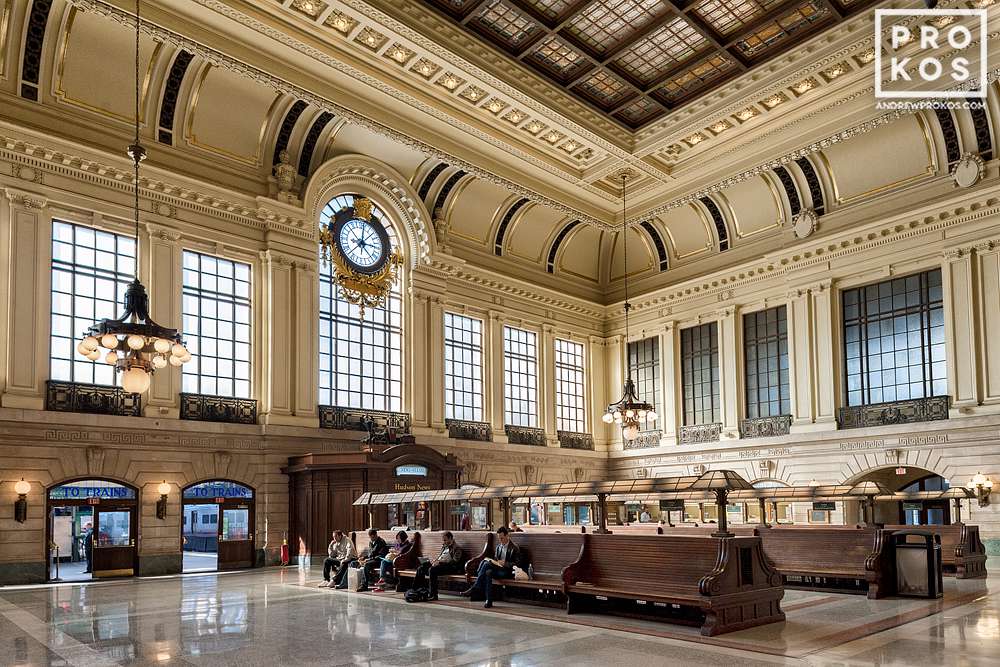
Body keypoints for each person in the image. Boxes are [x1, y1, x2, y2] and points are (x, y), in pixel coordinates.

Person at [461, 526, 519, 608]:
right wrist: (496, 562)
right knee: (488, 571)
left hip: (507, 571)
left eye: (502, 538)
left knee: (486, 564)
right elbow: (495, 560)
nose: (500, 540)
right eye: (499, 538)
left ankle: (475, 587)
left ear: (507, 536)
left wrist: (505, 563)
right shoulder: (499, 547)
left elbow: (517, 564)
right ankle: (489, 600)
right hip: (498, 569)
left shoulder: (514, 548)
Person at [416, 530, 465, 600]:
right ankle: (418, 590)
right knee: (421, 568)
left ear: (451, 538)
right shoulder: (444, 547)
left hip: (451, 568)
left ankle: (433, 594)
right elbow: (440, 557)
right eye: (443, 540)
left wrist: (440, 562)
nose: (444, 542)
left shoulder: (457, 548)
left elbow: (455, 561)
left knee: (432, 570)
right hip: (440, 565)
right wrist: (435, 561)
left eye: (445, 540)